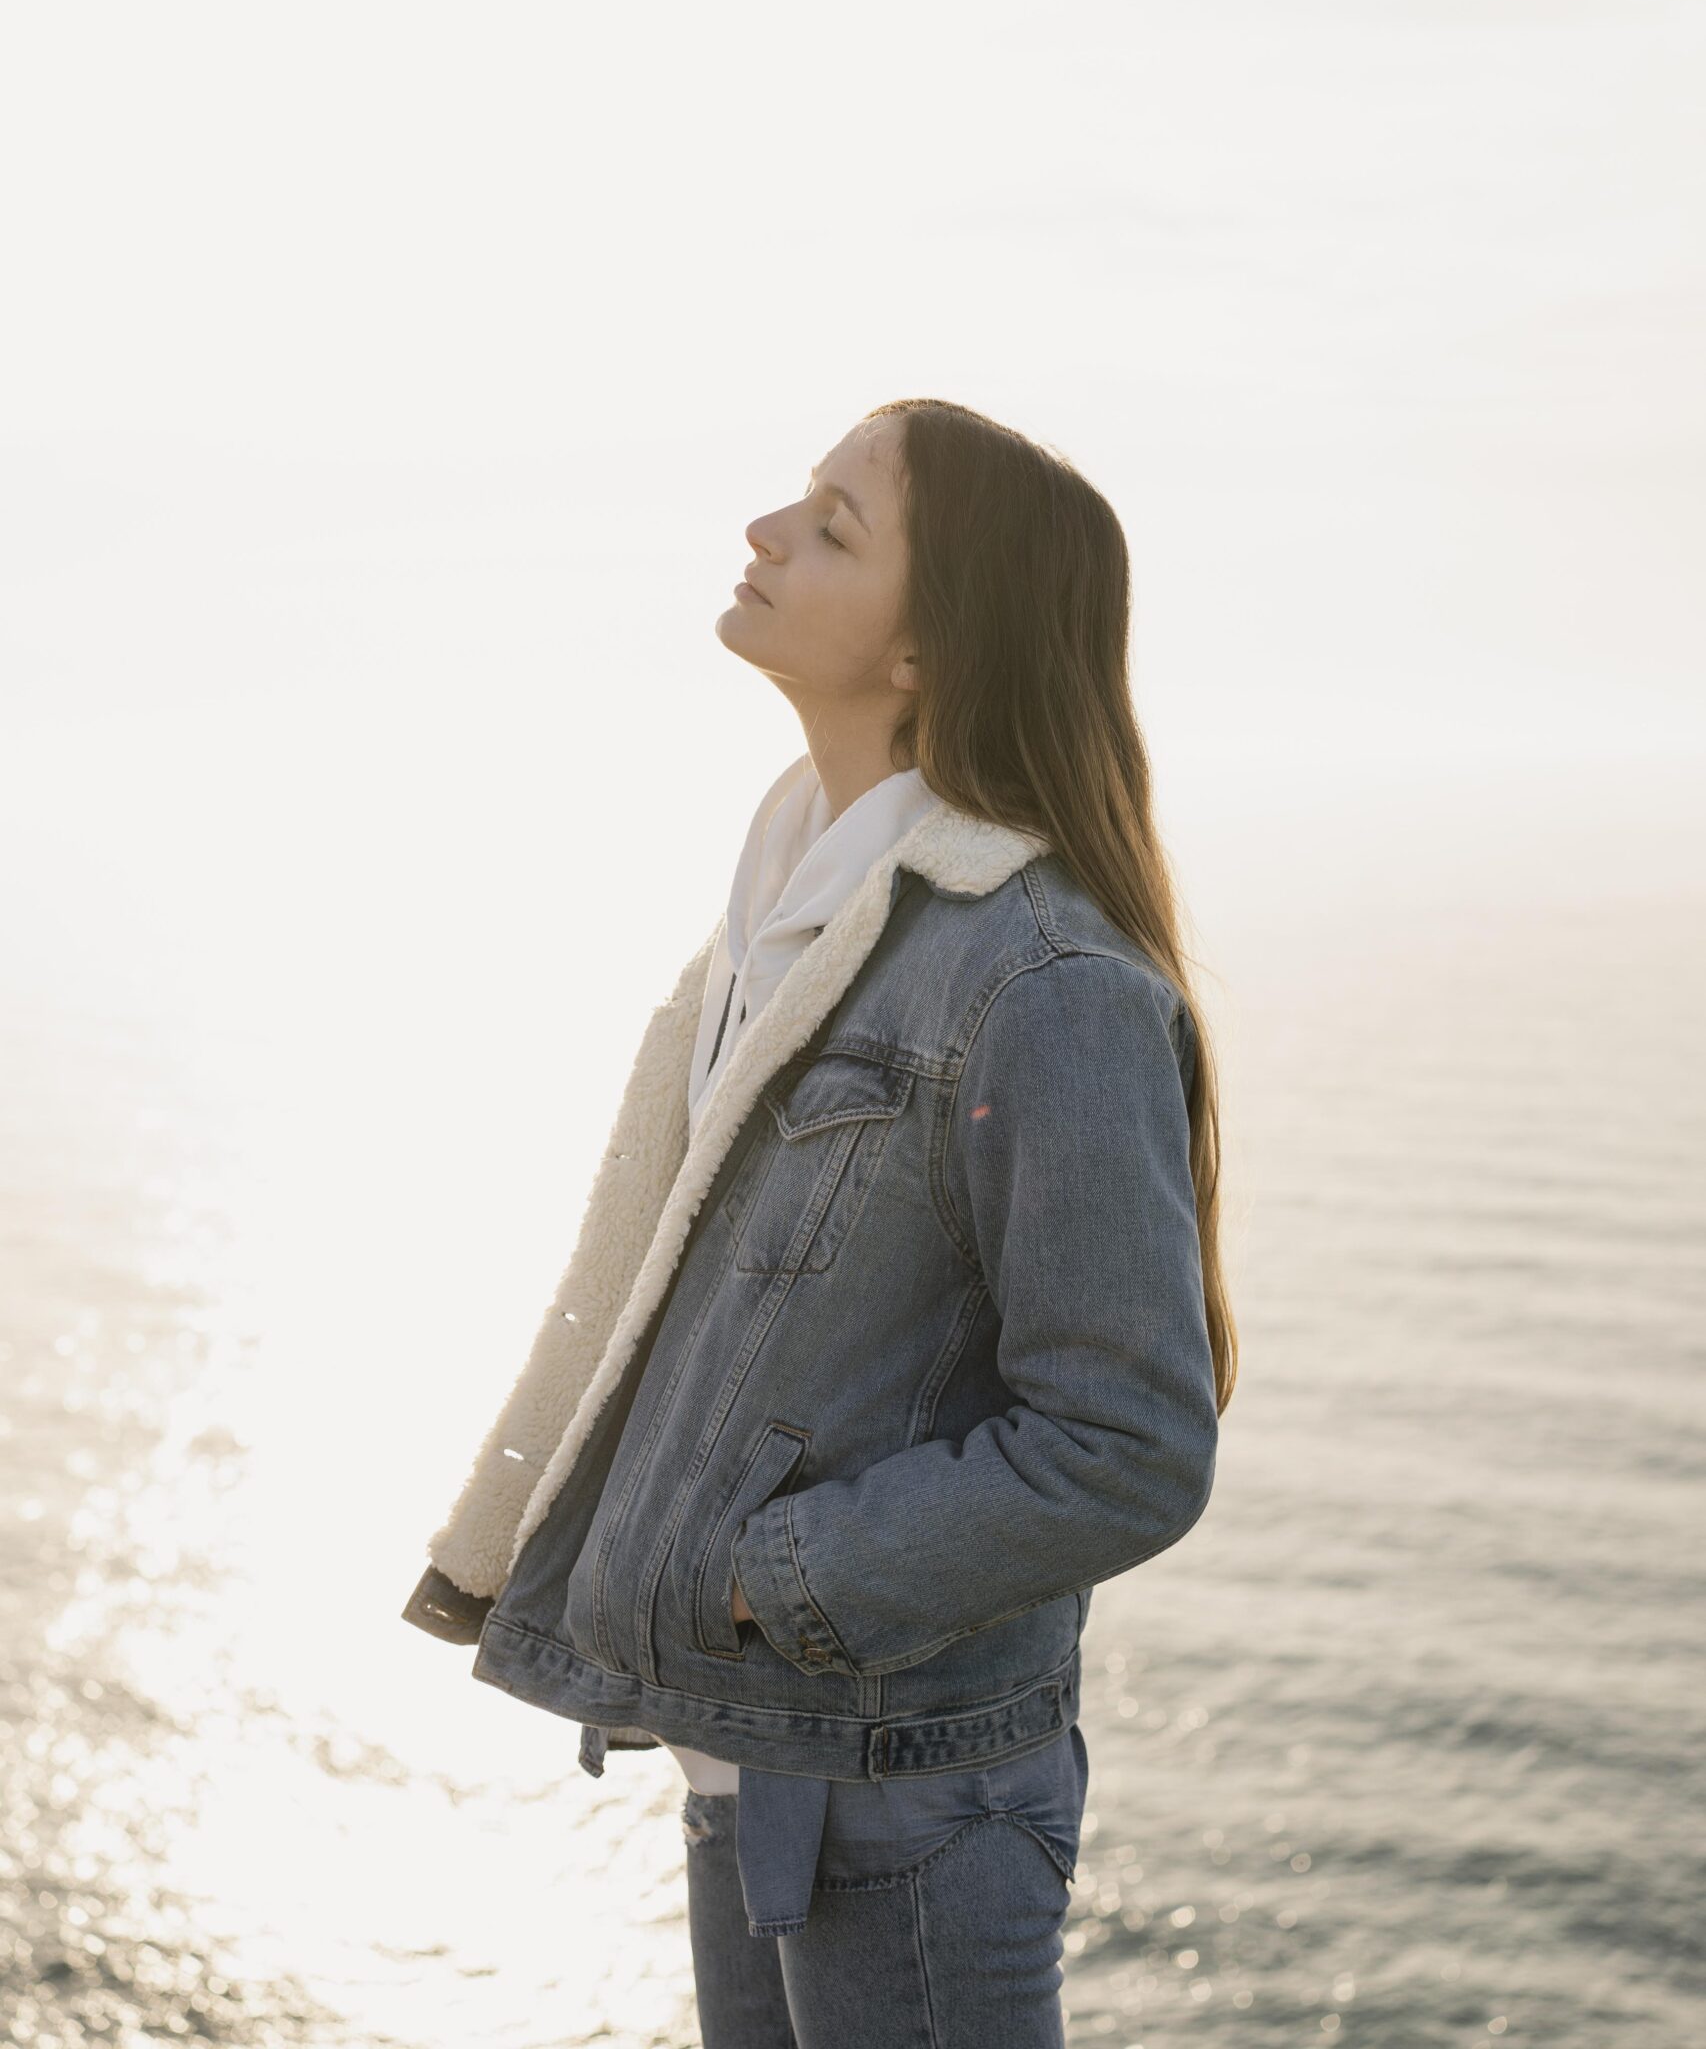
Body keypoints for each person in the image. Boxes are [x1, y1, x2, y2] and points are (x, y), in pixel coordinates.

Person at [401, 397, 1237, 2048]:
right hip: (754, 1750)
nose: (765, 534)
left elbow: (1130, 1439)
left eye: (833, 525)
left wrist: (752, 1576)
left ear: (930, 649)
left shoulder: (1040, 982)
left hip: (905, 1787)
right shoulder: (777, 928)